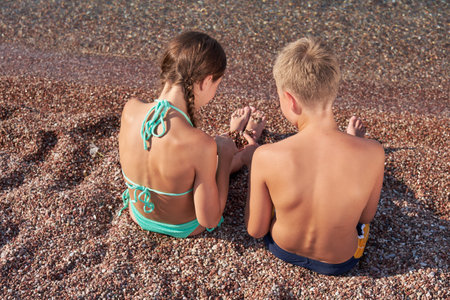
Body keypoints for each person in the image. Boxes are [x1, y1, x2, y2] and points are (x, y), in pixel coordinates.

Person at [244, 37, 384, 275]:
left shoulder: (266, 156)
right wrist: (357, 143)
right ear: (333, 89)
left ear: (290, 100)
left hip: (283, 249)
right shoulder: (374, 153)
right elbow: (366, 216)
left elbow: (256, 230)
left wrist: (253, 151)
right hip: (341, 260)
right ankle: (351, 140)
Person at [118, 31, 264, 238]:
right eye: (217, 85)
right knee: (214, 155)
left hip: (140, 215)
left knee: (196, 159)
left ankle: (235, 143)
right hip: (184, 226)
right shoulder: (199, 143)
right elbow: (210, 220)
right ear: (206, 82)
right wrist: (221, 155)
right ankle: (236, 143)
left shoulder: (130, 110)